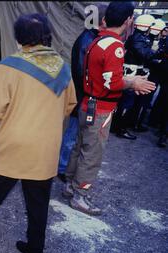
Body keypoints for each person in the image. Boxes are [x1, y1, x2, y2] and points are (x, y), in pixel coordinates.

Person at [0, 14, 77, 253]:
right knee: (38, 202)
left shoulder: (8, 66)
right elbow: (70, 104)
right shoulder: (62, 66)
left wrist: (13, 115)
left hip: (15, 144)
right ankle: (36, 250)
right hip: (45, 148)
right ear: (45, 35)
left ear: (19, 37)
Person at [63, 2, 156, 216]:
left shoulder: (97, 40)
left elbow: (102, 76)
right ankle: (80, 194)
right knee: (92, 152)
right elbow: (112, 83)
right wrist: (132, 83)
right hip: (101, 107)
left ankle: (69, 184)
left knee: (80, 146)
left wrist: (128, 79)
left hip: (88, 102)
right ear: (128, 20)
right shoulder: (115, 46)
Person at [57, 4, 108, 182]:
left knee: (74, 134)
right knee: (72, 134)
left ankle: (64, 166)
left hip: (82, 95)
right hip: (81, 95)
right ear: (102, 20)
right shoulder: (87, 39)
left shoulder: (90, 38)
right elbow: (81, 71)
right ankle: (62, 167)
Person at [111, 14, 157, 140]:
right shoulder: (138, 39)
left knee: (125, 101)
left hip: (132, 72)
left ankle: (117, 126)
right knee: (127, 102)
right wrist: (158, 53)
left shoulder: (138, 37)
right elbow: (144, 54)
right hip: (131, 73)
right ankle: (120, 128)